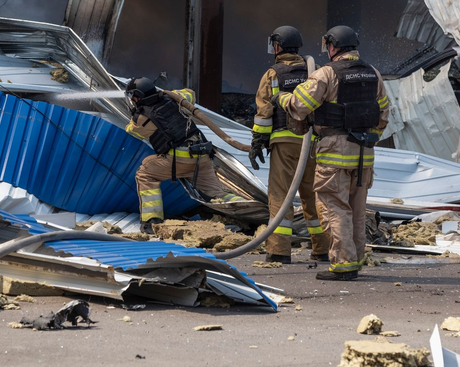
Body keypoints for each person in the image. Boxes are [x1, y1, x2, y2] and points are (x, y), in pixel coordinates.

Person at [273, 26, 390, 281]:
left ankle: (344, 264)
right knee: (356, 211)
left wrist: (281, 98)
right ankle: (355, 260)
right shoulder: (373, 74)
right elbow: (383, 114)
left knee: (333, 208)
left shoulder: (326, 74)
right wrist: (368, 138)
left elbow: (300, 105)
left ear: (333, 46)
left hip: (334, 153)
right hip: (364, 155)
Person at [251, 26, 330, 264]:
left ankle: (279, 250)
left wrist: (258, 142)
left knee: (280, 196)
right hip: (312, 145)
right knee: (314, 197)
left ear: (277, 46)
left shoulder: (272, 74)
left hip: (284, 144)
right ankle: (323, 249)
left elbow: (264, 113)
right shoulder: (315, 72)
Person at [124, 77, 241, 234]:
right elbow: (190, 93)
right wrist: (168, 93)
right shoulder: (175, 98)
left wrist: (134, 115)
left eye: (133, 97)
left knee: (145, 174)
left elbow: (132, 132)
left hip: (177, 161)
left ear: (138, 97)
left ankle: (152, 221)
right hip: (202, 158)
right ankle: (250, 210)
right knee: (219, 195)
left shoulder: (143, 118)